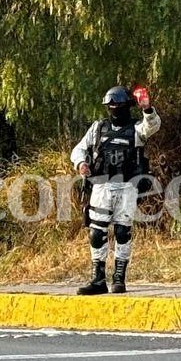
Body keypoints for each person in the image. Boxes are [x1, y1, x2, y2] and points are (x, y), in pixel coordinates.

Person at [70, 85, 160, 295]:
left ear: (127, 106)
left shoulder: (137, 129)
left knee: (122, 231)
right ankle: (98, 279)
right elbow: (79, 149)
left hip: (127, 186)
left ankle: (119, 278)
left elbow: (152, 126)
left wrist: (147, 108)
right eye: (111, 105)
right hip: (101, 185)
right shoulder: (98, 128)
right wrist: (81, 163)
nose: (114, 109)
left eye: (118, 105)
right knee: (96, 232)